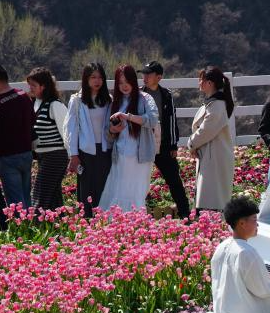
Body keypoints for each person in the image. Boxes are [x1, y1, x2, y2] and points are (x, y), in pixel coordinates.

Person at [98, 64, 159, 212]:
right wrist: (113, 130)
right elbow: (107, 134)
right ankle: (116, 223)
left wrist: (128, 117)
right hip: (120, 154)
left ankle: (134, 223)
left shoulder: (145, 98)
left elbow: (152, 120)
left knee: (136, 192)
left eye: (127, 81)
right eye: (120, 83)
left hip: (140, 156)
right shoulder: (115, 103)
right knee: (118, 190)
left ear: (134, 80)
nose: (124, 86)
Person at [141, 61, 190, 219]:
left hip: (164, 145)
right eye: (144, 74)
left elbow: (172, 120)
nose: (145, 77)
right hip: (144, 145)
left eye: (149, 74)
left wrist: (173, 144)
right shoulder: (138, 95)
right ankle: (138, 215)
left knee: (174, 180)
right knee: (140, 181)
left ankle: (185, 214)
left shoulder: (167, 95)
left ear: (159, 77)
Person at [64, 62, 112, 217]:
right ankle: (87, 220)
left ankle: (103, 220)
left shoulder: (108, 100)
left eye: (100, 77)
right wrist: (73, 154)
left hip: (105, 150)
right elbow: (71, 128)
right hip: (85, 151)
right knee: (86, 187)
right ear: (86, 79)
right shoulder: (77, 100)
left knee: (103, 186)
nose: (97, 81)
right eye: (93, 77)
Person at [0, 65, 34, 209]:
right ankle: (30, 221)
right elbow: (33, 120)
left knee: (16, 202)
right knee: (26, 196)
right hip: (26, 154)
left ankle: (22, 223)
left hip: (8, 158)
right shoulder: (24, 96)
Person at [188, 66, 235, 212]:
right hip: (210, 156)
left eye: (201, 80)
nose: (199, 83)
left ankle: (213, 224)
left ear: (209, 83)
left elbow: (206, 130)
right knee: (210, 197)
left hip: (214, 157)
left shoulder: (217, 105)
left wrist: (191, 144)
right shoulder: (212, 103)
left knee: (212, 200)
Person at [26, 67, 69, 211]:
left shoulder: (55, 105)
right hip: (42, 156)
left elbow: (66, 133)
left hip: (55, 156)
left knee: (39, 196)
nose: (30, 88)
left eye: (33, 85)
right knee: (53, 197)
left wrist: (72, 156)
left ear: (43, 86)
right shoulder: (34, 103)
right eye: (30, 85)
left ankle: (36, 221)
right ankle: (59, 221)